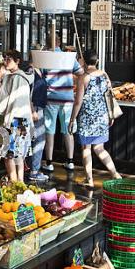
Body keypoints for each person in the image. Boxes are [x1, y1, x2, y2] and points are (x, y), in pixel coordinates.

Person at [69, 50, 122, 188]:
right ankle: (115, 173)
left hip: (87, 117)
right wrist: (110, 115)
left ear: (84, 61)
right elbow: (110, 95)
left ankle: (89, 180)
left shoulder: (84, 78)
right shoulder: (104, 74)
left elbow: (78, 102)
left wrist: (72, 119)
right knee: (100, 148)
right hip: (102, 117)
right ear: (96, 61)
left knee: (86, 148)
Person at [0, 50, 34, 183]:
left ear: (18, 61)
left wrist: (7, 122)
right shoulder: (12, 76)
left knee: (9, 155)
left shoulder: (18, 78)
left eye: (9, 59)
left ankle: (16, 182)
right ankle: (19, 182)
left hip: (14, 120)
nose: (6, 61)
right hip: (20, 120)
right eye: (5, 58)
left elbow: (13, 102)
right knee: (17, 155)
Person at [42, 33, 83, 173]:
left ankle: (49, 162)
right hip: (67, 99)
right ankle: (70, 161)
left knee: (49, 131)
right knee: (68, 130)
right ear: (60, 43)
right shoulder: (68, 57)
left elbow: (39, 76)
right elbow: (81, 72)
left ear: (47, 43)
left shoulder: (44, 57)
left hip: (51, 99)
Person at [27, 58, 49, 182]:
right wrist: (33, 110)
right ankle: (34, 171)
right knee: (39, 140)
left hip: (39, 107)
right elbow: (28, 92)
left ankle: (31, 168)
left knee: (35, 139)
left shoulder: (40, 71)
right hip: (35, 108)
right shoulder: (31, 72)